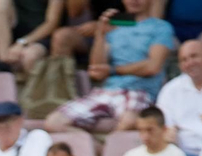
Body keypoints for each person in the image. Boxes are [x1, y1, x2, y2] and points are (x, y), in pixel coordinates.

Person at [46, 0, 175, 134]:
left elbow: (152, 66)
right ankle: (95, 150)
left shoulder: (161, 27)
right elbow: (96, 69)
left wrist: (113, 70)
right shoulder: (115, 25)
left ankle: (108, 149)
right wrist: (100, 34)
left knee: (130, 121)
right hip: (107, 91)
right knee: (54, 122)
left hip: (138, 91)